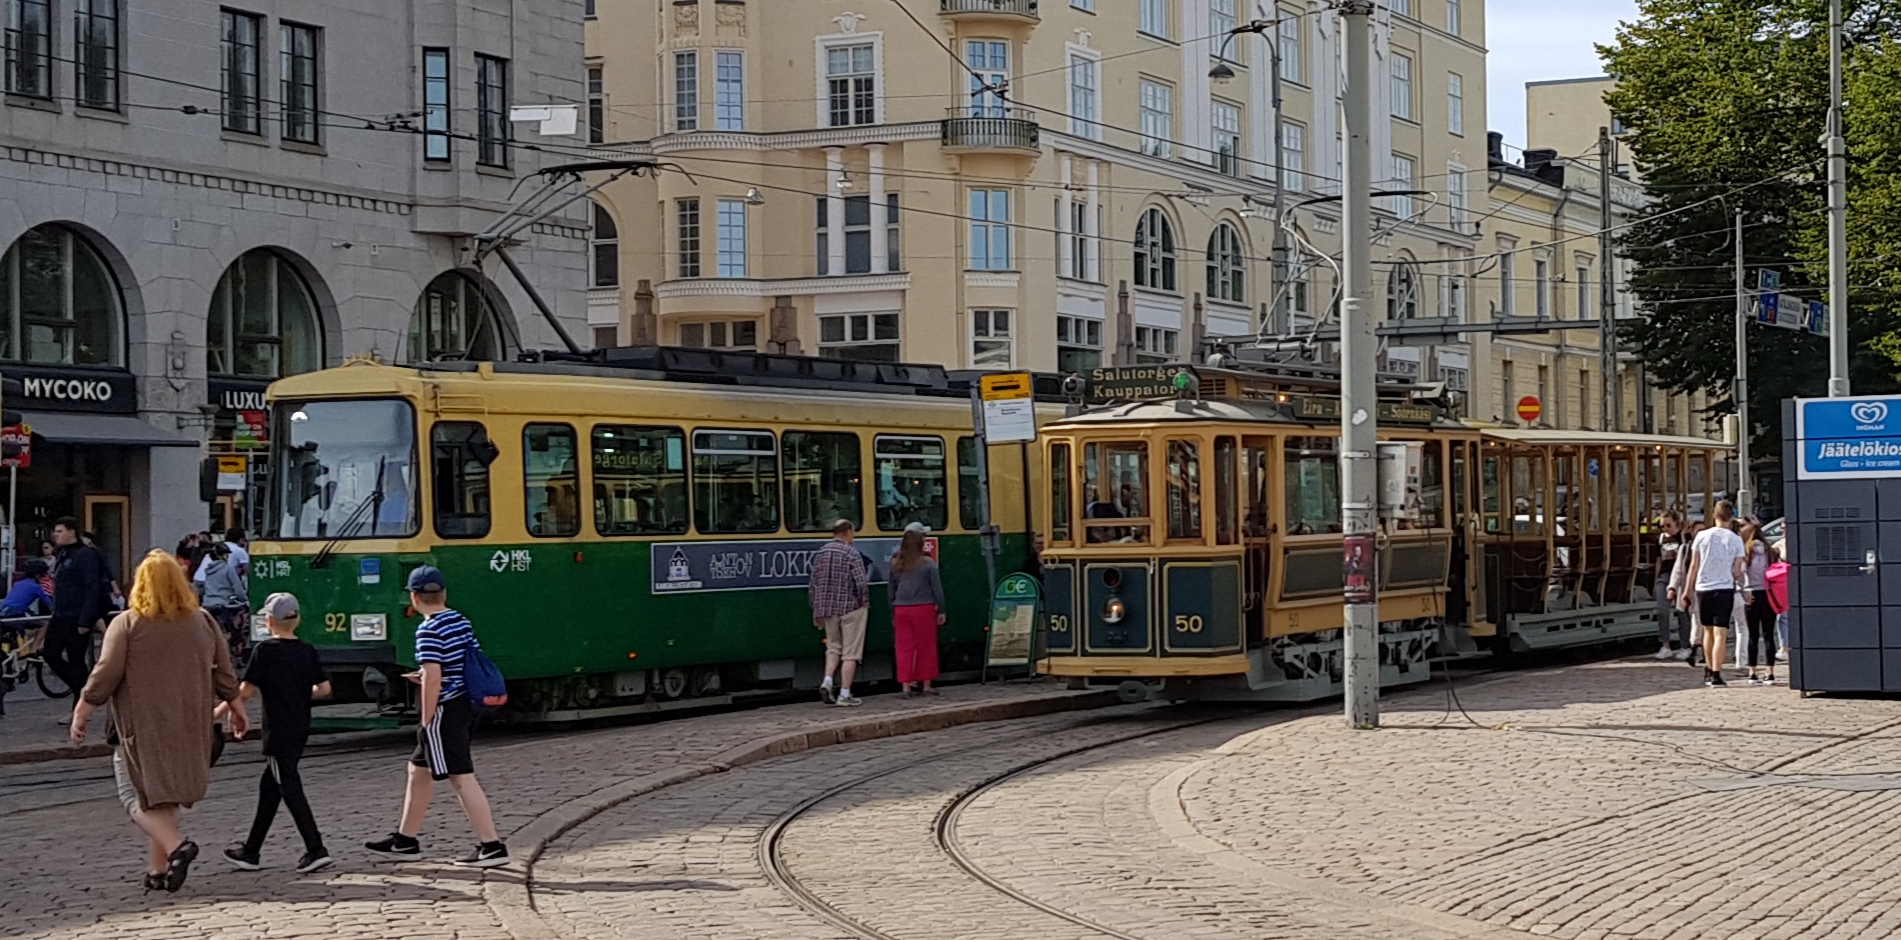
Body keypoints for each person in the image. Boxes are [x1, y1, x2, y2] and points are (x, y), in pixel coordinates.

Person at [70, 549, 245, 893]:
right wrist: (237, 708)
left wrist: (82, 710)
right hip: (190, 724)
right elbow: (225, 673)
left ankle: (178, 847)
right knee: (165, 797)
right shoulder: (203, 621)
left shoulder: (128, 623)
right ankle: (158, 869)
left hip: (142, 725)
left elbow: (105, 674)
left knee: (133, 795)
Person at [365, 566, 509, 868]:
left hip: (445, 708)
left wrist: (426, 719)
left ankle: (491, 846)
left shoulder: (428, 630)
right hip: (464, 701)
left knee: (461, 776)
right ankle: (405, 840)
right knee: (417, 770)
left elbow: (433, 678)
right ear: (443, 593)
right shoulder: (460, 620)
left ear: (414, 597)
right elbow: (457, 663)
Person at [220, 592, 333, 873]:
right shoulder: (307, 650)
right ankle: (251, 851)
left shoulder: (265, 651)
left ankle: (315, 848)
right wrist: (298, 690)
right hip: (300, 727)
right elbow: (324, 689)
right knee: (269, 788)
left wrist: (217, 713)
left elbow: (244, 692)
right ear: (297, 620)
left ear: (269, 621)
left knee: (289, 786)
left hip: (278, 731)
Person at [1680, 501, 1747, 687]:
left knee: (1707, 630)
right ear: (1731, 517)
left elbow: (1694, 565)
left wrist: (1687, 590)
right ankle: (1717, 672)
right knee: (1721, 633)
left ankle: (1708, 669)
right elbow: (1737, 571)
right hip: (1724, 588)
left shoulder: (1702, 536)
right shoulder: (1736, 539)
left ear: (1714, 515)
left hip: (1703, 588)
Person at [48, 517, 111, 712]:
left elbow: (92, 587)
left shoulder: (85, 555)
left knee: (76, 659)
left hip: (76, 615)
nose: (56, 535)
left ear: (71, 531)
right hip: (60, 614)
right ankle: (83, 688)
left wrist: (85, 620)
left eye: (60, 531)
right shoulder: (63, 553)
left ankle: (80, 703)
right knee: (50, 654)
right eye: (55, 531)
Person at [808, 520, 869, 707]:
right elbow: (861, 583)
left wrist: (816, 610)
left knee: (833, 647)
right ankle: (844, 694)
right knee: (851, 653)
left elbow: (813, 584)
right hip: (850, 608)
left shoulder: (822, 552)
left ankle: (827, 681)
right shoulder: (851, 552)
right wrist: (864, 603)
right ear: (848, 532)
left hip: (827, 610)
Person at [888, 523, 945, 698]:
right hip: (923, 608)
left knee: (904, 648)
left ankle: (906, 687)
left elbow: (891, 591)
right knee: (926, 647)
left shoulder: (896, 563)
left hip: (901, 609)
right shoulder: (927, 563)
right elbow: (937, 589)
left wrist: (892, 612)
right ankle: (926, 685)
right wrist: (941, 610)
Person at [199, 543, 251, 667]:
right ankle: (234, 653)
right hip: (225, 605)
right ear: (223, 556)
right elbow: (238, 590)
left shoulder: (208, 571)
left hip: (208, 605)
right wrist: (245, 600)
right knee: (236, 630)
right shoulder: (228, 569)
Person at [1739, 522, 1777, 684]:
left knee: (1753, 635)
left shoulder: (1746, 551)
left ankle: (1753, 672)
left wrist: (1743, 592)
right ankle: (1770, 672)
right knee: (1769, 634)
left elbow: (1739, 574)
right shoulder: (1770, 552)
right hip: (1768, 593)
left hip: (1752, 593)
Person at [1654, 512, 1691, 660]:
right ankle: (1665, 645)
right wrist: (1656, 579)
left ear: (1676, 522)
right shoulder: (1661, 538)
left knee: (1681, 611)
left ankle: (1685, 646)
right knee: (1662, 610)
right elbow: (1658, 559)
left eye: (1668, 525)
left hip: (1681, 576)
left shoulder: (1684, 537)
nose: (1665, 528)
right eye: (1662, 526)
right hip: (1664, 575)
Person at [1766, 540, 1790, 663]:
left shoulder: (1781, 543)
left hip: (1787, 582)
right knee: (1784, 616)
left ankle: (1786, 648)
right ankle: (1785, 648)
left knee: (1784, 617)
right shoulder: (1780, 543)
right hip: (1785, 583)